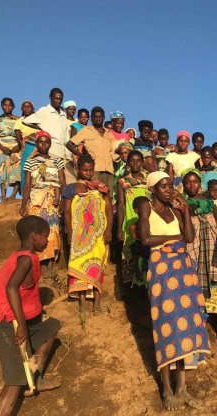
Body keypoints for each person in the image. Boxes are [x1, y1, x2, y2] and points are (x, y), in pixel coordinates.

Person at [0, 216, 61, 416]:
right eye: (46, 235)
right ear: (34, 237)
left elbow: (26, 294)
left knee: (51, 327)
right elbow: (11, 289)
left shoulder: (28, 256)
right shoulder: (25, 259)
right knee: (14, 380)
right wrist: (22, 328)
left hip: (11, 316)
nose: (48, 240)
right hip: (2, 320)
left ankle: (35, 378)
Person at [138, 171, 211, 411]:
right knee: (166, 326)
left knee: (185, 326)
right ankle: (167, 390)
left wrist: (186, 211)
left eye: (170, 186)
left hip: (182, 270)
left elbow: (189, 237)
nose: (169, 190)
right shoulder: (146, 208)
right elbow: (145, 239)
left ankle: (182, 388)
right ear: (153, 189)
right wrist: (174, 236)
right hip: (161, 270)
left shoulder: (175, 210)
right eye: (164, 186)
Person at [182, 170, 217, 346]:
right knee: (195, 290)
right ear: (183, 185)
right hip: (193, 249)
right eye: (188, 182)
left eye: (195, 182)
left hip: (213, 248)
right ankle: (201, 331)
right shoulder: (180, 203)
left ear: (200, 184)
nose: (192, 185)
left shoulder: (210, 203)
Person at [62, 154, 113, 314]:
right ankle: (82, 303)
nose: (88, 173)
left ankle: (97, 302)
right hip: (80, 235)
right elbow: (67, 213)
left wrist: (108, 230)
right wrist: (69, 232)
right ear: (77, 169)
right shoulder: (70, 188)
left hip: (98, 235)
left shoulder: (101, 187)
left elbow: (108, 210)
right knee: (79, 266)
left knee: (98, 265)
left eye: (91, 170)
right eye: (85, 170)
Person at [19, 131, 66, 271]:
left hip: (53, 200)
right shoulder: (30, 161)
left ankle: (50, 263)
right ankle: (39, 263)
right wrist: (23, 204)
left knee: (53, 229)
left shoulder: (57, 161)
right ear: (36, 143)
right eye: (40, 142)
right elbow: (27, 185)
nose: (43, 144)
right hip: (36, 199)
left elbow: (63, 182)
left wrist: (62, 200)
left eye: (46, 142)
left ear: (50, 144)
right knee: (37, 230)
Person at [22, 88, 74, 184]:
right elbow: (26, 121)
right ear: (50, 97)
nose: (58, 101)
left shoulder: (63, 113)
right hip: (52, 151)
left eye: (60, 99)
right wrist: (42, 129)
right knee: (53, 181)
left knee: (70, 182)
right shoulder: (44, 111)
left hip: (64, 152)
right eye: (56, 99)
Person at [65, 106, 116, 197]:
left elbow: (114, 152)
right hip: (94, 171)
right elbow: (69, 144)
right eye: (95, 117)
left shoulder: (109, 133)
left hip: (109, 171)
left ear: (104, 118)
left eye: (100, 116)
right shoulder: (86, 130)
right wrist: (81, 156)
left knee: (108, 198)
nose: (98, 118)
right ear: (91, 118)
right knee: (93, 197)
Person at [116, 150, 150, 287]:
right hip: (129, 218)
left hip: (147, 218)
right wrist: (119, 227)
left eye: (138, 160)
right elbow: (121, 205)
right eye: (132, 161)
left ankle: (146, 283)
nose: (135, 163)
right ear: (128, 163)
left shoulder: (149, 179)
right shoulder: (122, 181)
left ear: (142, 162)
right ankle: (131, 285)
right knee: (129, 250)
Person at [0, 97, 21, 201]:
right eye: (5, 105)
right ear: (1, 106)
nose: (7, 107)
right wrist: (2, 147)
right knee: (2, 169)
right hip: (1, 145)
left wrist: (17, 147)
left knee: (17, 169)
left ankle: (13, 195)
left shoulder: (18, 119)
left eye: (9, 105)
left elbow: (21, 135)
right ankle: (3, 196)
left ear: (13, 107)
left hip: (15, 146)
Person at [15, 100, 39, 192]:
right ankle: (25, 192)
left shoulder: (38, 120)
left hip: (38, 145)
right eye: (24, 107)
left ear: (33, 109)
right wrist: (22, 145)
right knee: (25, 168)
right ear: (21, 109)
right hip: (26, 146)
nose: (27, 108)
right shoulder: (19, 121)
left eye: (29, 107)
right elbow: (18, 135)